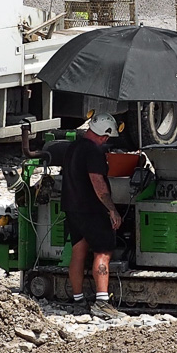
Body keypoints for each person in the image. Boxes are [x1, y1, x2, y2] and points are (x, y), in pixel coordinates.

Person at [62, 112, 124, 319]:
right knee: (103, 253)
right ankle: (102, 302)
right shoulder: (93, 152)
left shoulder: (74, 147)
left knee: (78, 252)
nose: (107, 140)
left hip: (72, 208)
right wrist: (112, 209)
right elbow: (98, 184)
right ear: (103, 134)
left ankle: (78, 300)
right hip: (92, 210)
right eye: (107, 136)